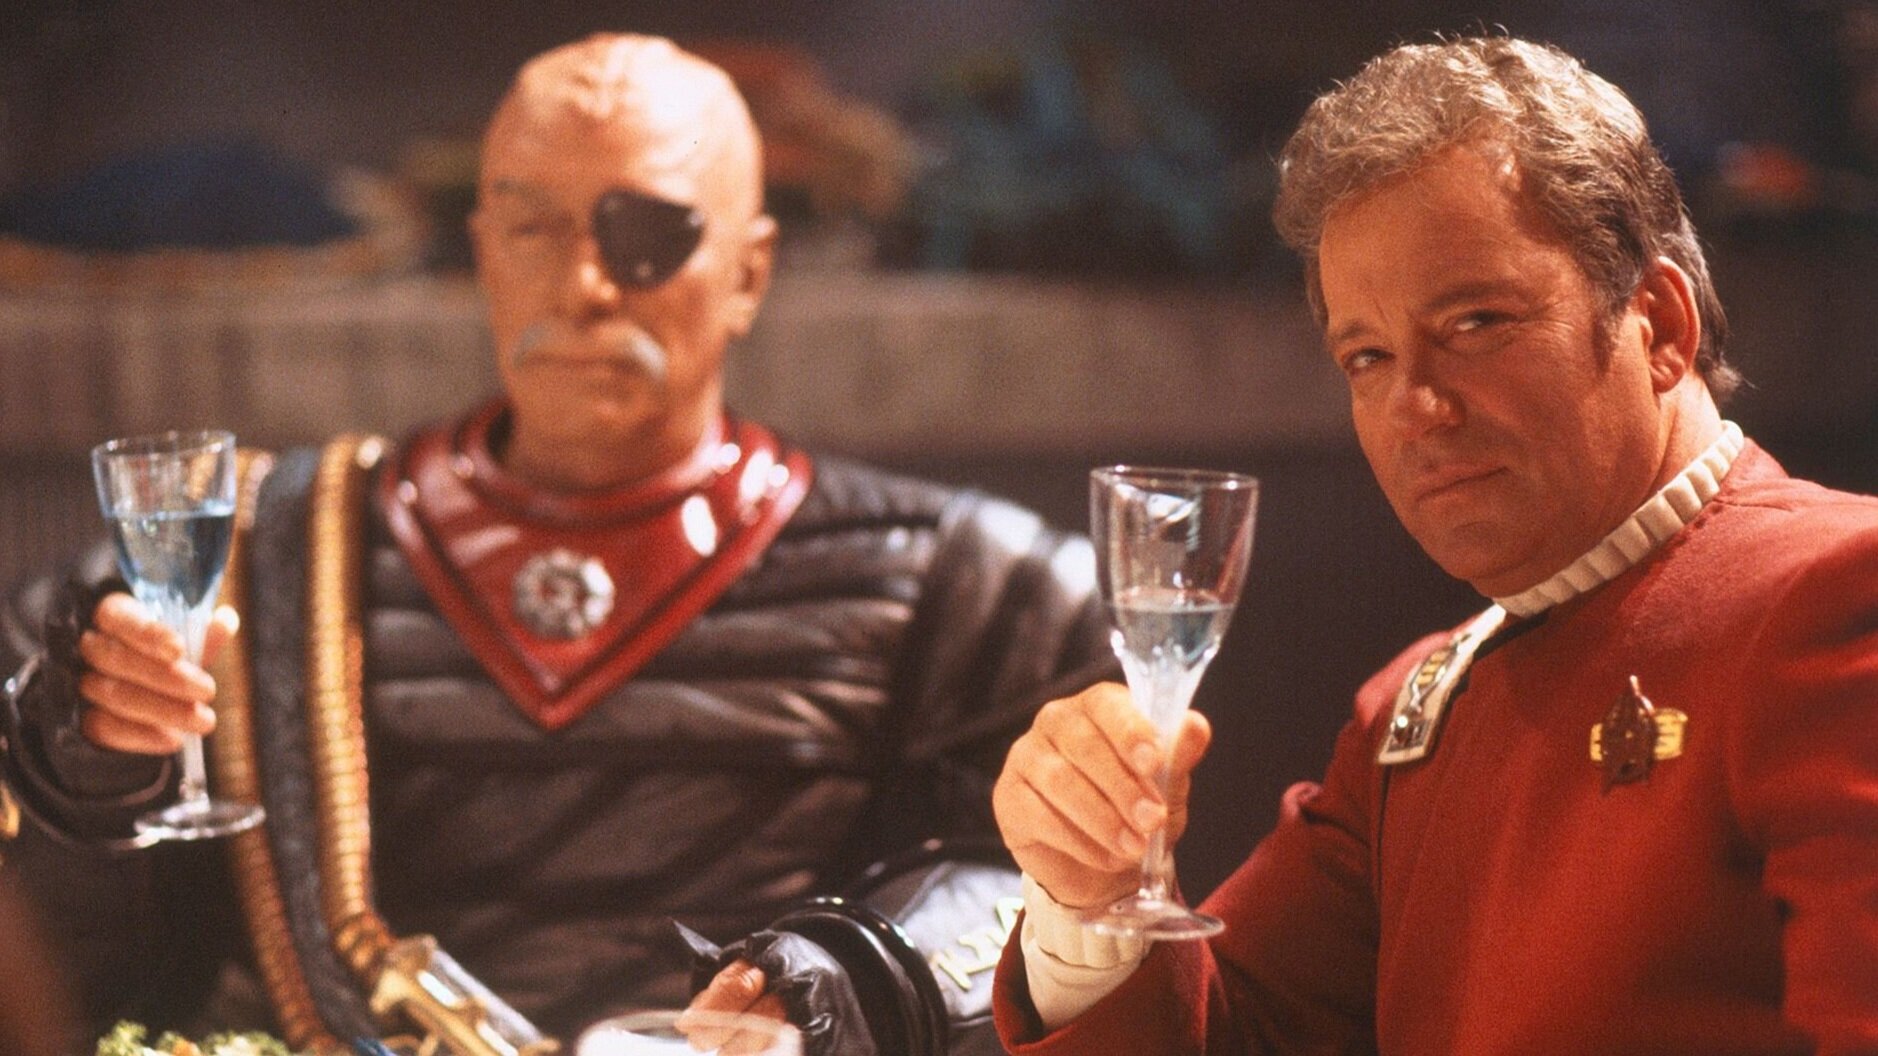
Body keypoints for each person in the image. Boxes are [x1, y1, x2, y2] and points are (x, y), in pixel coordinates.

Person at [0, 34, 1112, 1056]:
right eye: (535, 228)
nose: (583, 286)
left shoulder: (977, 589)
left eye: (649, 234)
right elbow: (70, 962)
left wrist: (846, 981)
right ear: (483, 251)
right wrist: (89, 766)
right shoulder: (254, 558)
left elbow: (1055, 900)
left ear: (749, 271)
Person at [988, 35, 1878, 1055]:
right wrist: (1089, 898)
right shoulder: (1413, 712)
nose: (1414, 406)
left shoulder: (1841, 592)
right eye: (1367, 356)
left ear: (1660, 325)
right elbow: (1219, 1038)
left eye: (1475, 322)